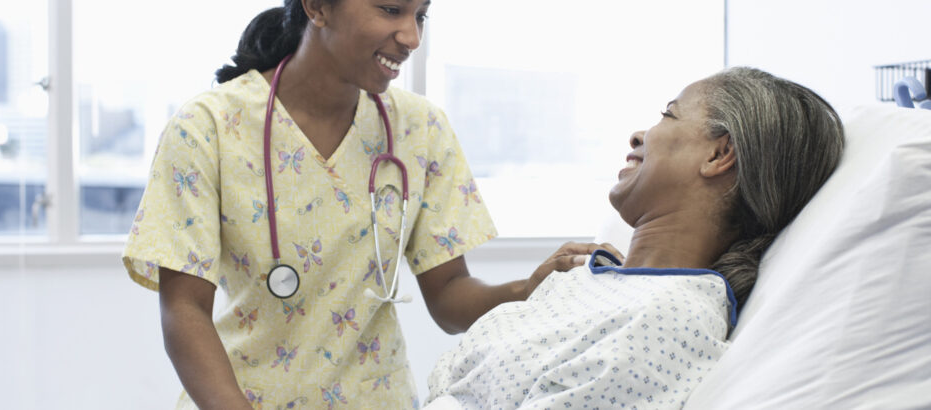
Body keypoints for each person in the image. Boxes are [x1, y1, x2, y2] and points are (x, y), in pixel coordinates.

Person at [121, 1, 604, 409]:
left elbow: (449, 294)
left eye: (421, 15)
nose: (411, 36)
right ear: (317, 7)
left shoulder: (421, 129)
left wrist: (525, 291)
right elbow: (184, 309)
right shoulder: (208, 126)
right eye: (392, 9)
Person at [425, 67, 846, 409]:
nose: (638, 136)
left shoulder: (670, 319)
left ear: (719, 155)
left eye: (669, 115)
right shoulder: (585, 281)